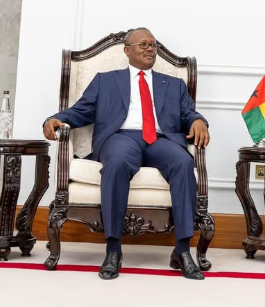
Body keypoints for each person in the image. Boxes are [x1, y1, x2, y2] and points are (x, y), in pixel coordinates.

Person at [43, 27, 210, 280]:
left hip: (160, 139)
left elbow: (188, 113)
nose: (149, 49)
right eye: (143, 44)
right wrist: (56, 118)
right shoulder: (106, 80)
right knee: (118, 162)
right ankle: (113, 249)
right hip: (121, 137)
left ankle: (183, 250)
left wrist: (199, 121)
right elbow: (82, 110)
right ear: (127, 51)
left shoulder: (174, 85)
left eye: (152, 45)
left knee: (183, 162)